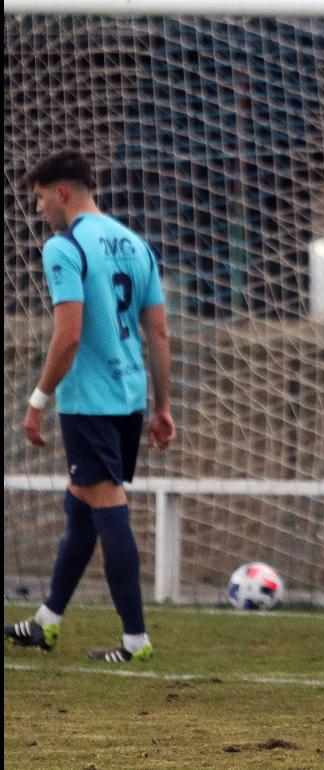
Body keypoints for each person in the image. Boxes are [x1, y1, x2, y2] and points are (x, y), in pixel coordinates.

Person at [4, 149, 175, 663]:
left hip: (89, 401)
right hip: (129, 397)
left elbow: (69, 333)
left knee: (105, 504)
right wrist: (162, 406)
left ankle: (135, 641)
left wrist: (37, 400)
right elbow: (159, 332)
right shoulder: (135, 244)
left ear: (61, 193)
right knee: (81, 505)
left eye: (38, 200)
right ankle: (46, 622)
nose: (37, 211)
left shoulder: (65, 246)